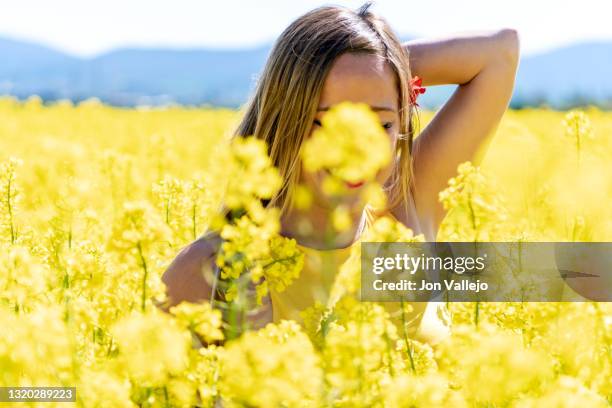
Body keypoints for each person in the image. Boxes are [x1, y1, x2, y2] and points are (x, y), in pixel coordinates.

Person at [162, 2, 519, 344]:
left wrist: (382, 63)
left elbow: (499, 53)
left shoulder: (405, 210)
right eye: (330, 122)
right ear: (287, 116)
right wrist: (313, 74)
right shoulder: (212, 272)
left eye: (380, 124)